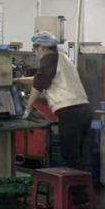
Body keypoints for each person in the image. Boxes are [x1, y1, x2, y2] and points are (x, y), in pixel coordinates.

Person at [24, 31, 93, 172]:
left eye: (35, 48)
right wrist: (19, 80)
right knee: (81, 155)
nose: (36, 52)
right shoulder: (63, 57)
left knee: (71, 156)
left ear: (41, 47)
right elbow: (44, 76)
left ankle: (75, 186)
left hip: (70, 112)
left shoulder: (48, 59)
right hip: (84, 110)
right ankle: (86, 184)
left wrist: (28, 107)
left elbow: (38, 85)